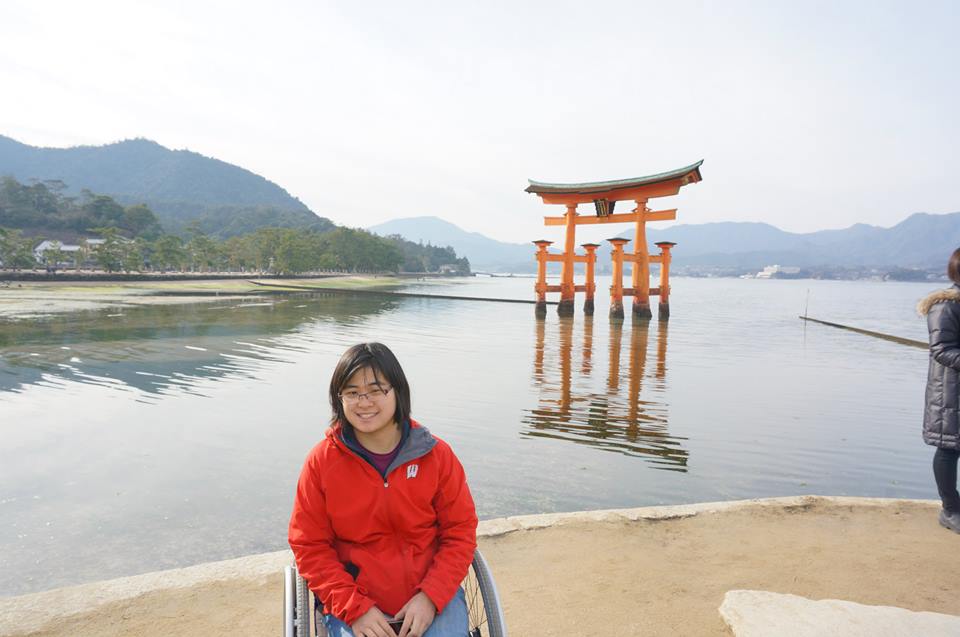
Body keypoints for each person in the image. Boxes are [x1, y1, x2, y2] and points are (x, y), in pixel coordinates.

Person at [289, 342, 478, 637]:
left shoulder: (436, 456)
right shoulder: (321, 462)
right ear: (339, 400)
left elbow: (460, 532)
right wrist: (355, 609)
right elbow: (309, 546)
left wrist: (430, 597)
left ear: (398, 392)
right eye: (352, 393)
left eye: (376, 390)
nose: (364, 402)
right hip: (355, 600)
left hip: (429, 593)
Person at [919, 248, 960, 534]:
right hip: (950, 392)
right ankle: (950, 509)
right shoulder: (945, 305)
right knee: (948, 449)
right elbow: (941, 350)